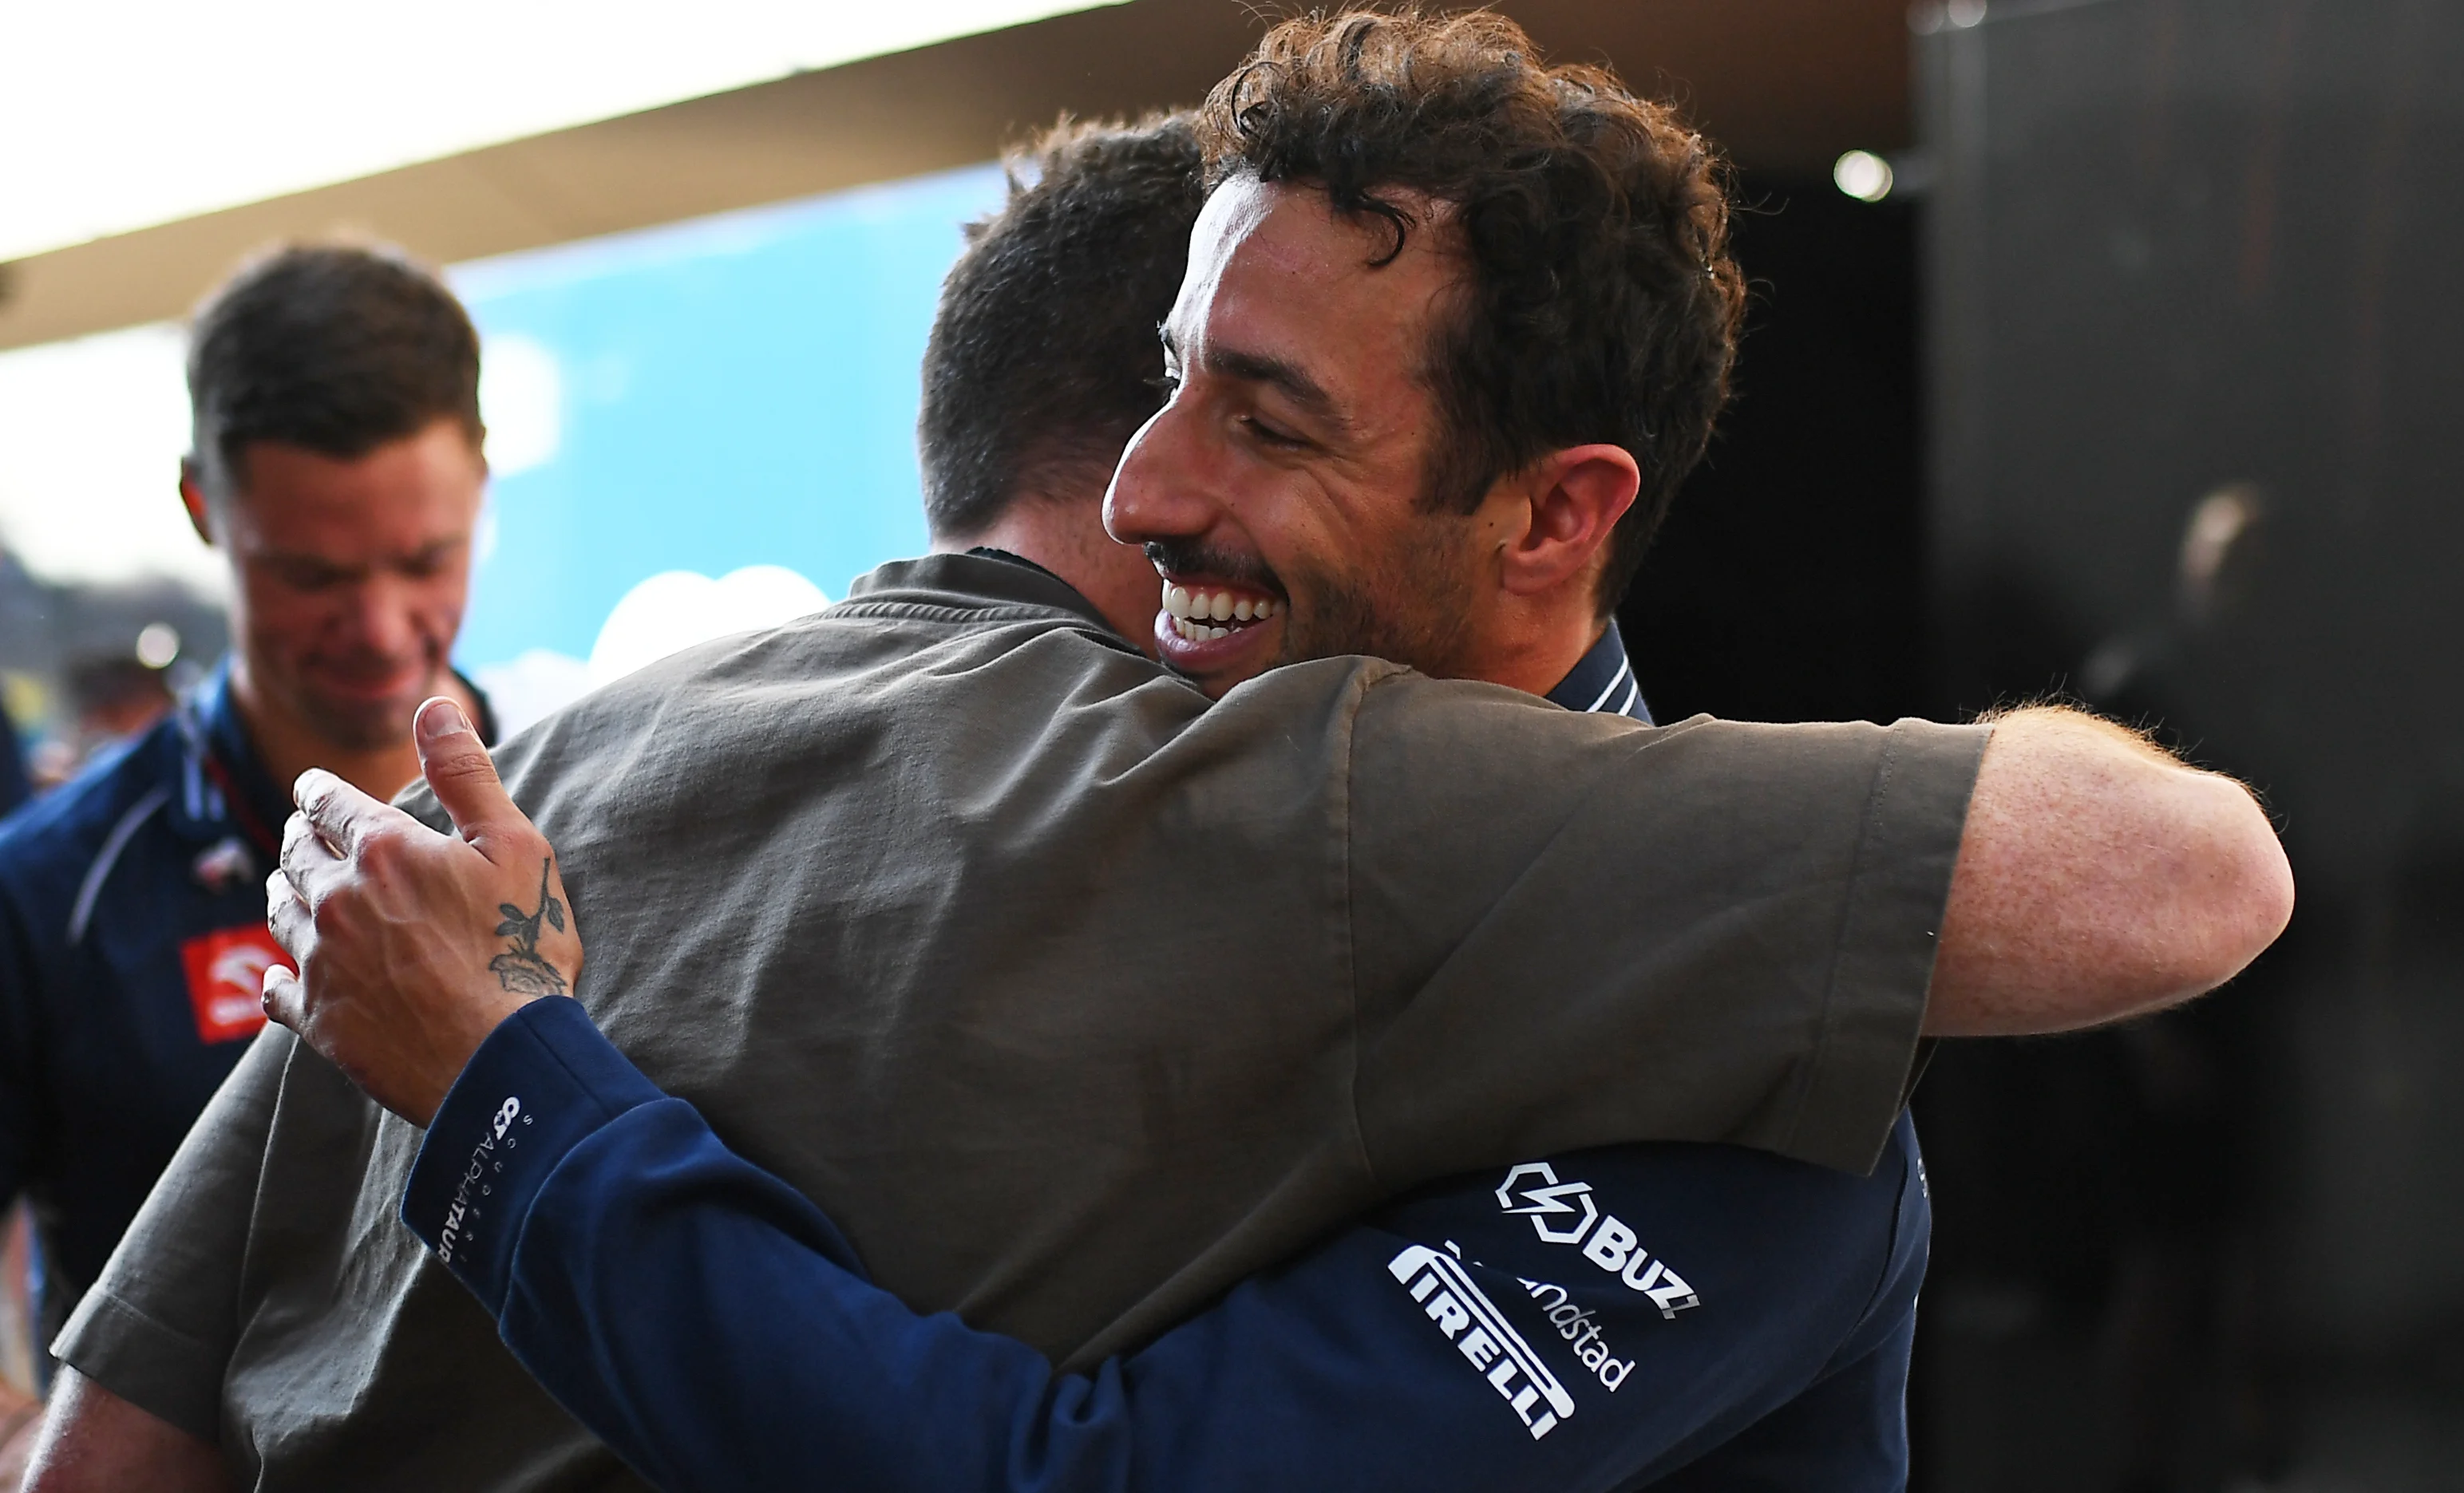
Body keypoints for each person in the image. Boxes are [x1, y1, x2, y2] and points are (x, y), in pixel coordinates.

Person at [38, 16, 2290, 1493]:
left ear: (1555, 512)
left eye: (1264, 417)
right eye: (1162, 383)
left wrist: (527, 1094)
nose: (1145, 490)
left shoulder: (1741, 1084)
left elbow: (2180, 876)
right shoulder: (1034, 817)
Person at [0, 244, 496, 1463]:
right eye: (311, 575)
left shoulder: (600, 809)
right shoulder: (52, 889)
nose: (383, 629)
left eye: (425, 559)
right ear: (202, 509)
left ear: (483, 482)